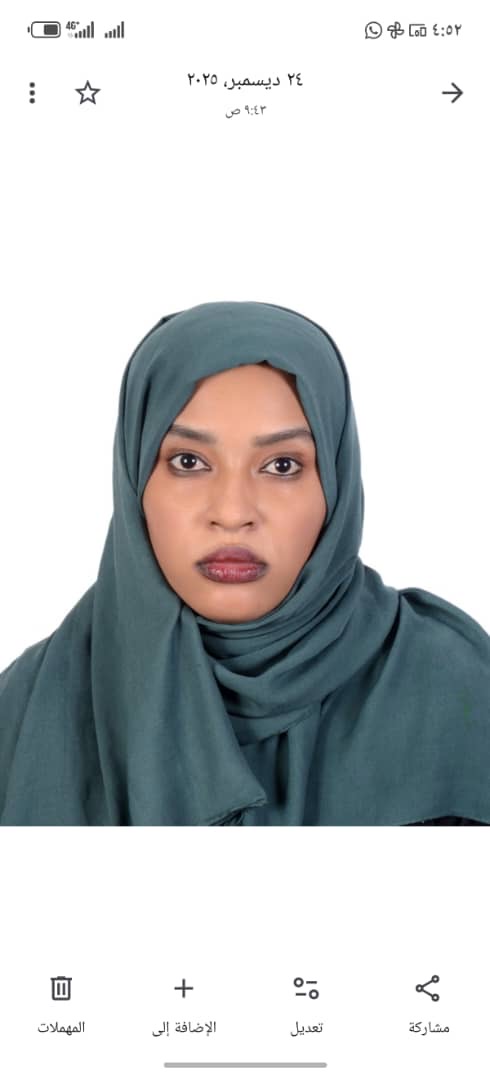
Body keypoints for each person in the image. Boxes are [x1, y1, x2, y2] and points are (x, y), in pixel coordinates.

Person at [1, 300, 489, 825]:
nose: (233, 513)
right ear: (134, 477)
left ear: (336, 482)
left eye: (282, 465)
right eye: (189, 461)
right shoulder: (24, 708)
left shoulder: (455, 687)